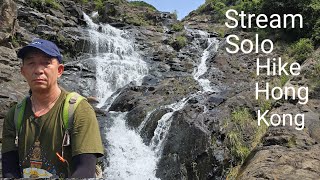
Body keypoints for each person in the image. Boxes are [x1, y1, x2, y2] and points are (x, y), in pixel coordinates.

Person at [1, 39, 104, 178]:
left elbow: (85, 170)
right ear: (23, 71)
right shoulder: (14, 115)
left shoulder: (79, 110)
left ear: (60, 70)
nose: (38, 70)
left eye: (46, 63)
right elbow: (9, 170)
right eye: (31, 63)